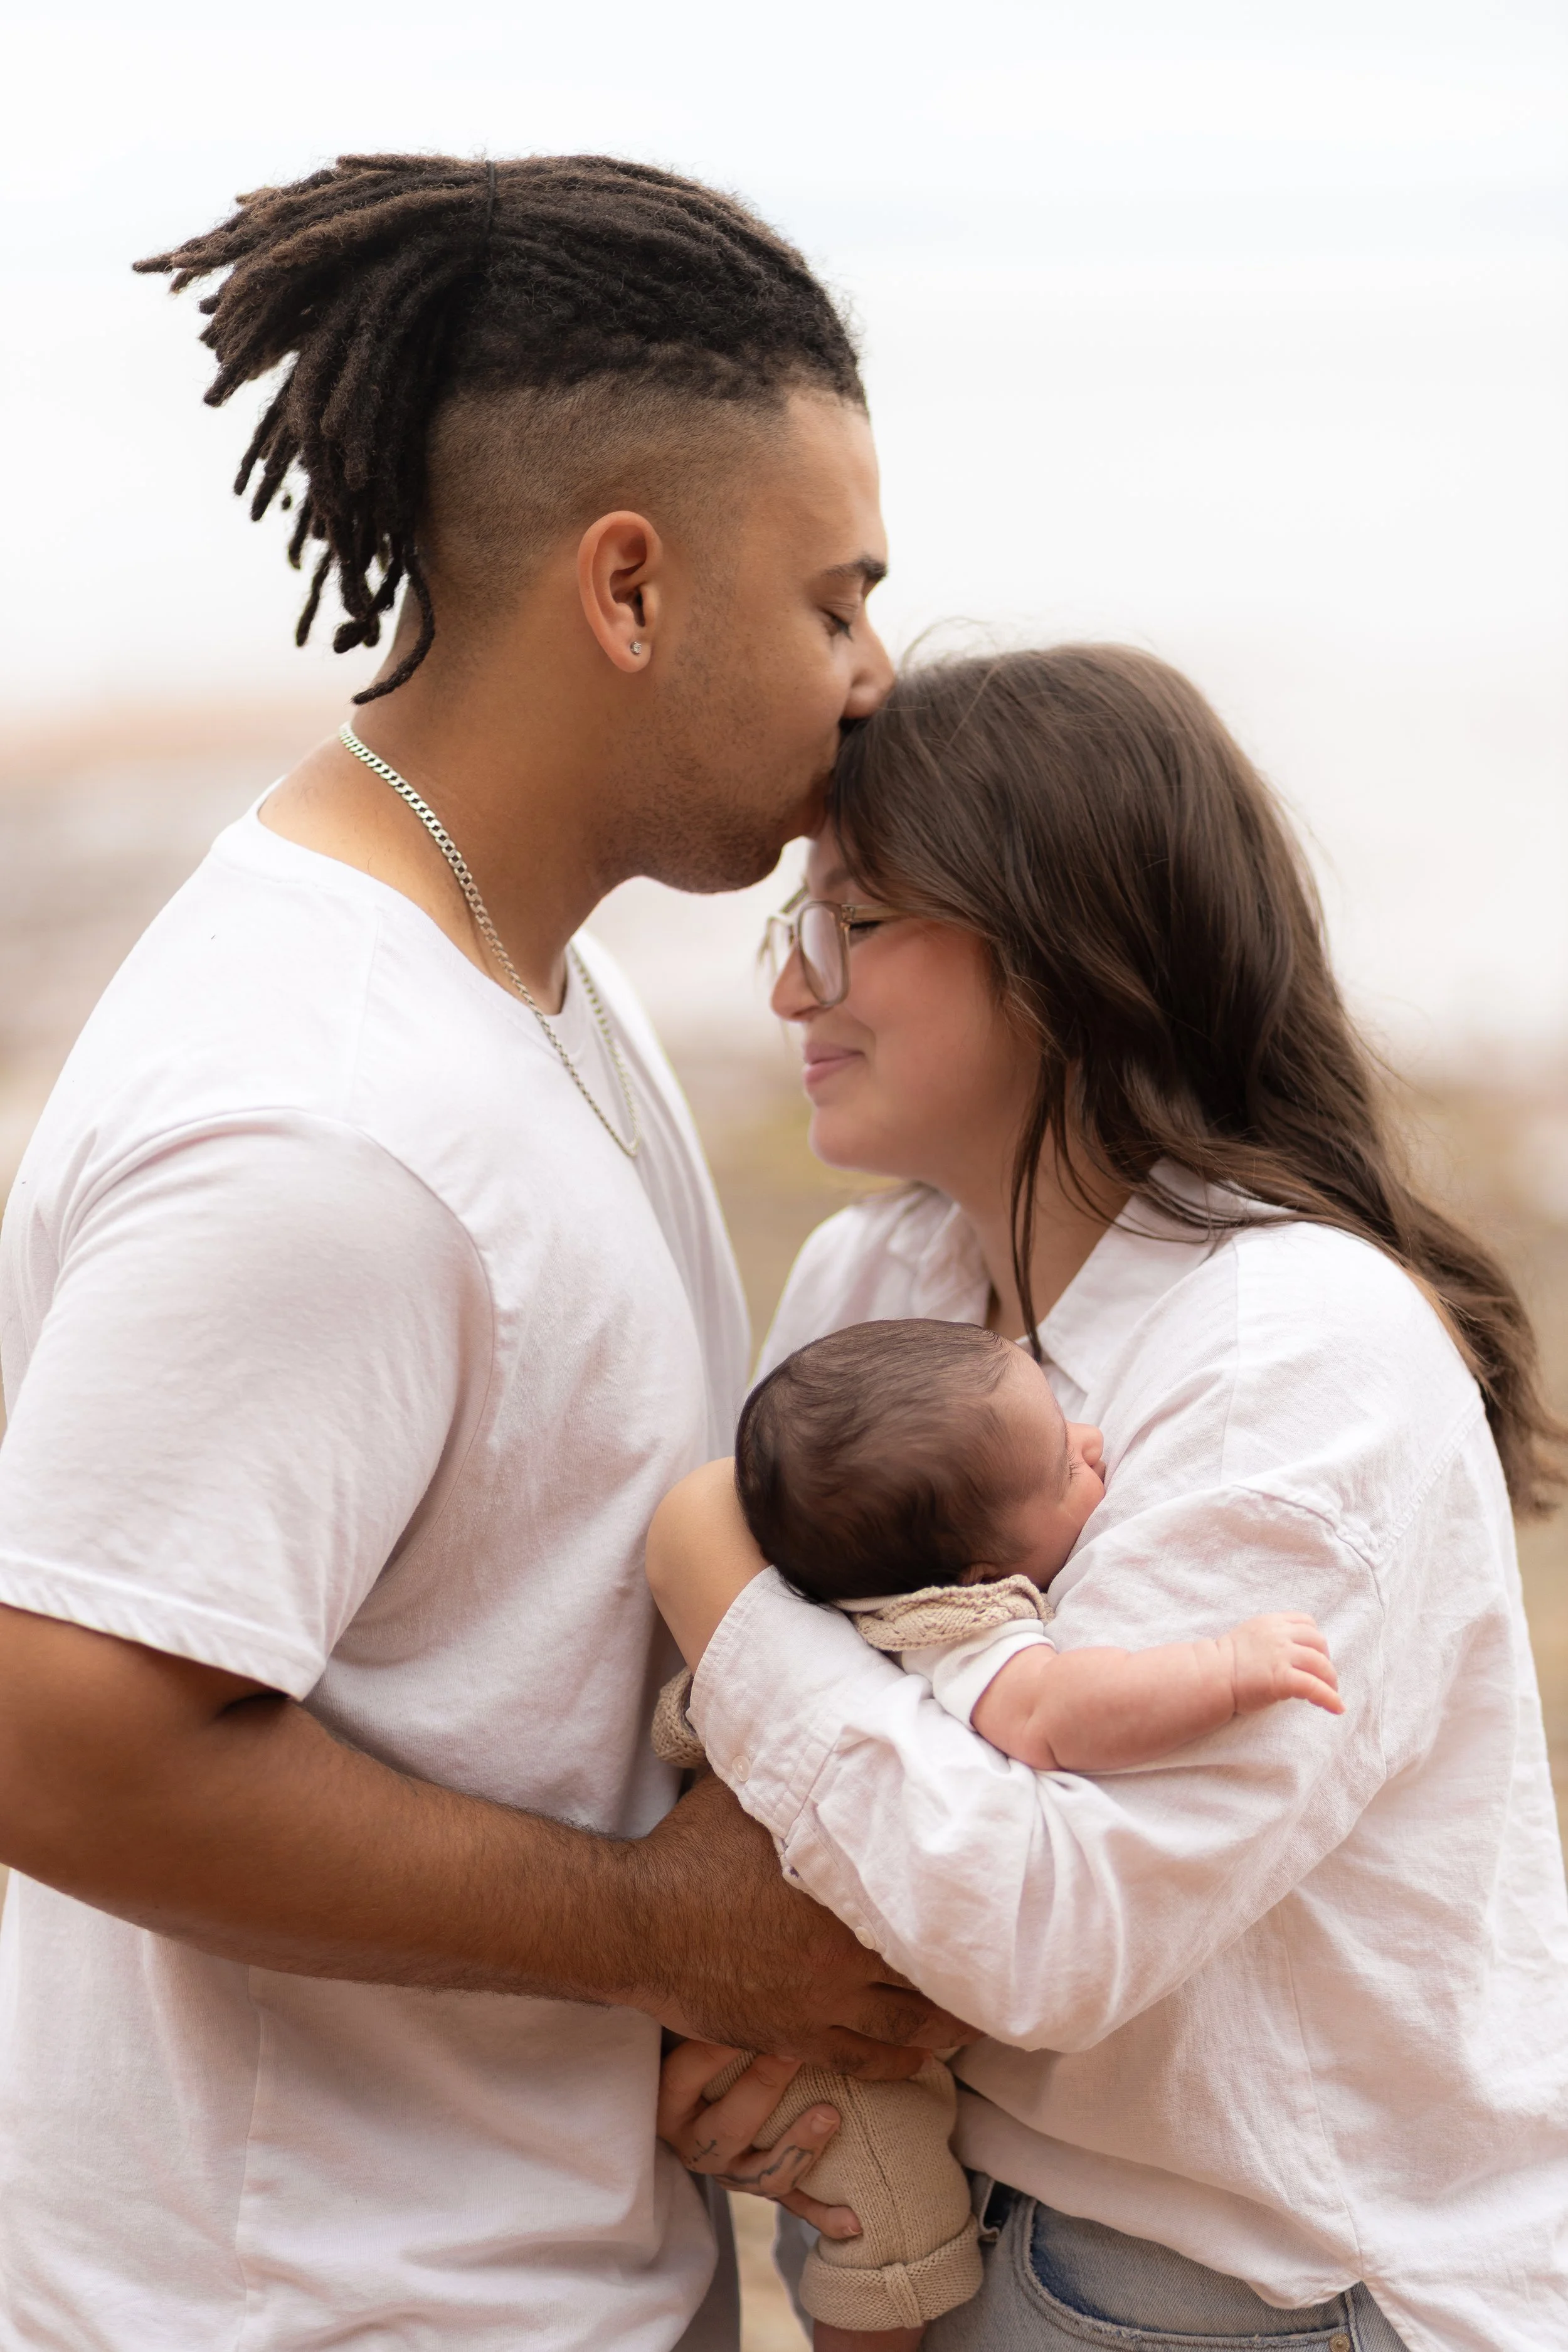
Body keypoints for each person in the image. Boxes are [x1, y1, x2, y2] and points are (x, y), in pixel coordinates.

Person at [0, 153, 973, 2352]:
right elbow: (56, 1741)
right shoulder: (325, 1117)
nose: (875, 677)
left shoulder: (523, 977)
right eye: (833, 600)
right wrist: (667, 1934)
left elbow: (478, 1670)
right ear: (627, 589)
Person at [650, 644, 1568, 2352]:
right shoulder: (873, 1276)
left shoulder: (1298, 1347)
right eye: (797, 923)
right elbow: (798, 1818)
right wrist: (756, 2031)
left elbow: (1047, 1932)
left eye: (851, 922)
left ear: (1061, 951)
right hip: (977, 2224)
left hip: (1263, 2291)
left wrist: (711, 1573)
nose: (789, 987)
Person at [651, 1316, 1342, 2351]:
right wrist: (1225, 1669)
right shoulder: (959, 1632)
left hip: (762, 1966)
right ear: (979, 1567)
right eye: (1066, 1464)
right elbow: (1057, 1711)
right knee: (894, 2225)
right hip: (821, 2053)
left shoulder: (832, 1580)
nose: (1096, 1445)